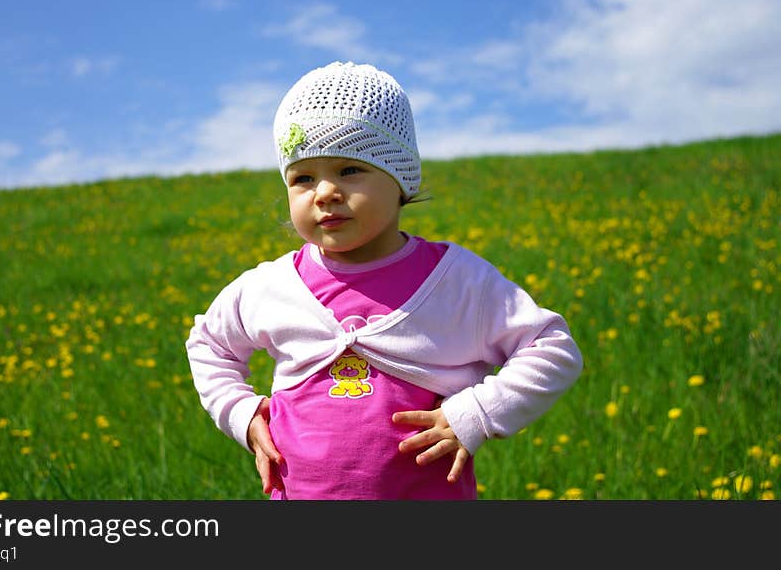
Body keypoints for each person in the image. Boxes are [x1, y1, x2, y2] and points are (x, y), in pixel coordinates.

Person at [186, 61, 583, 499]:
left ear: (400, 179)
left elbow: (553, 347)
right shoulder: (270, 287)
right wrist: (241, 413)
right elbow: (209, 346)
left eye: (350, 170)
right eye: (302, 177)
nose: (324, 192)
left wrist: (476, 413)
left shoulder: (455, 280)